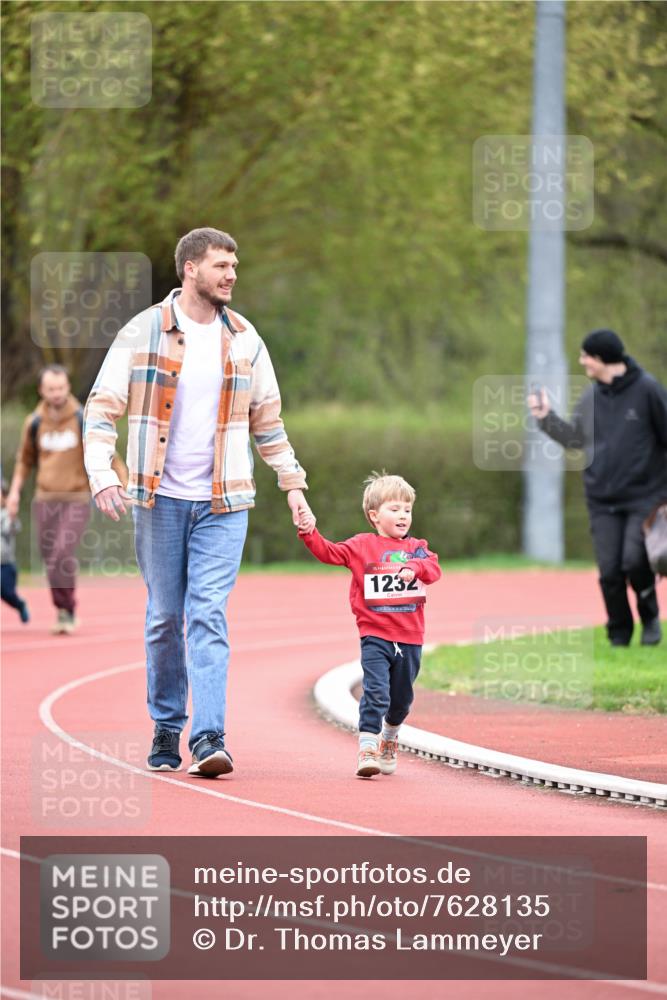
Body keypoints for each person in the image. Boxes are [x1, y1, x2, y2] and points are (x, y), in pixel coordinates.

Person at [84, 226, 312, 779]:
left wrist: (293, 485)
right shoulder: (143, 332)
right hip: (159, 500)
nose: (231, 275)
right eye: (220, 265)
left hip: (224, 501)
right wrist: (100, 473)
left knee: (206, 613)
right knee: (165, 617)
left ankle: (209, 735)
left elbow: (269, 423)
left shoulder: (247, 340)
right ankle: (167, 723)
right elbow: (101, 407)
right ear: (190, 268)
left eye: (234, 266)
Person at [528, 329, 667, 647]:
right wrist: (545, 418)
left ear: (602, 358)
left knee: (634, 561)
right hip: (602, 500)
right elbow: (575, 439)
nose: (582, 362)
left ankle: (649, 619)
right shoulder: (591, 397)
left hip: (644, 497)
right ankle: (619, 634)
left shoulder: (647, 390)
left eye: (586, 355)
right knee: (609, 572)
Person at [298, 472, 441, 778]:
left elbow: (433, 568)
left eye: (407, 509)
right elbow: (329, 552)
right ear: (375, 515)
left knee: (401, 701)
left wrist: (412, 568)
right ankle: (367, 748)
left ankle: (389, 735)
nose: (403, 515)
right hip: (374, 633)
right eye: (395, 509)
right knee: (376, 692)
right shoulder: (362, 545)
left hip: (410, 637)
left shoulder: (417, 547)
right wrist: (309, 533)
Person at [7, 365, 97, 634]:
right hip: (45, 499)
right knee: (51, 558)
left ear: (67, 387)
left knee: (61, 552)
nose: (56, 393)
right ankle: (63, 609)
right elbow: (24, 461)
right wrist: (14, 492)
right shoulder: (34, 422)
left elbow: (106, 455)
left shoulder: (83, 417)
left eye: (61, 388)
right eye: (51, 389)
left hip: (77, 497)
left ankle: (67, 609)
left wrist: (121, 481)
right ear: (41, 390)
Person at [1, 478, 29, 623]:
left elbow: (12, 529)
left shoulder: (7, 516)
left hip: (5, 565)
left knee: (6, 593)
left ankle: (20, 605)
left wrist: (11, 516)